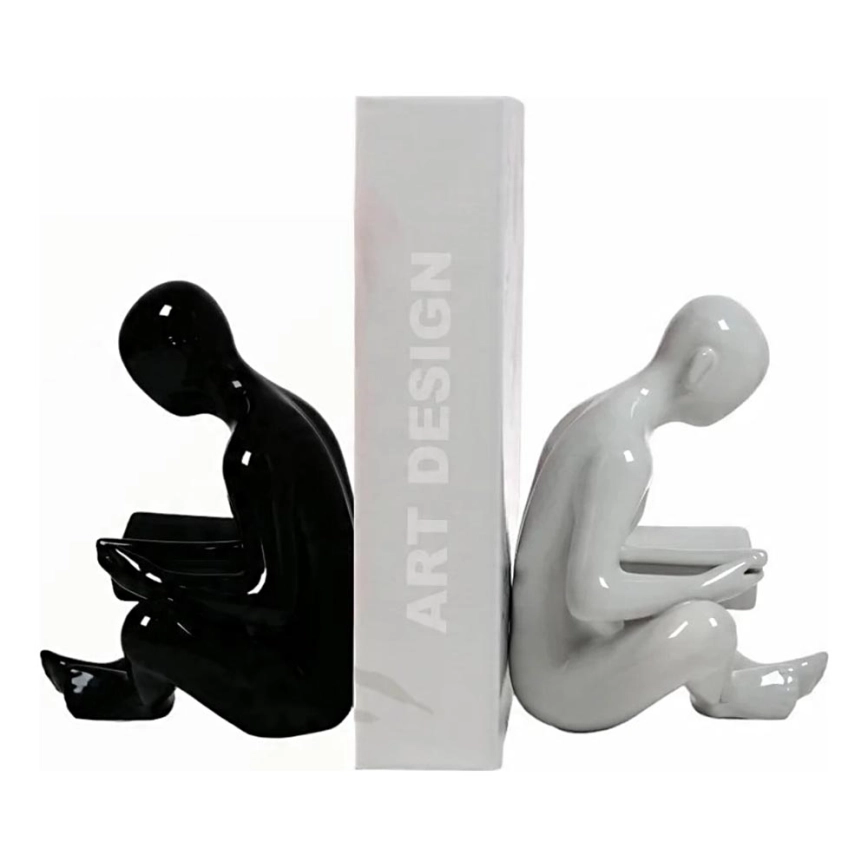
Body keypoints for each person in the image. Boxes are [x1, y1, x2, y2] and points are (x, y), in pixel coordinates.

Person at [42, 281, 353, 737]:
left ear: (174, 361)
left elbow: (274, 601)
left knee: (147, 623)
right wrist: (158, 555)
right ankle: (139, 666)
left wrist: (157, 581)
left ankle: (141, 695)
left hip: (308, 685)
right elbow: (287, 553)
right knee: (148, 531)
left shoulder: (250, 453)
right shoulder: (288, 410)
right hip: (335, 633)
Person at [510, 296, 826, 731]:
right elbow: (590, 595)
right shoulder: (624, 453)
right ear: (702, 368)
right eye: (739, 391)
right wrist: (708, 586)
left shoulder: (599, 414)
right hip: (559, 683)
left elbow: (581, 550)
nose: (734, 407)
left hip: (562, 646)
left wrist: (711, 563)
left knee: (711, 562)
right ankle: (724, 695)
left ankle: (744, 670)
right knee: (707, 624)